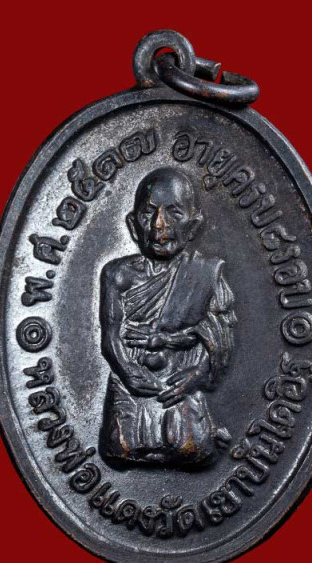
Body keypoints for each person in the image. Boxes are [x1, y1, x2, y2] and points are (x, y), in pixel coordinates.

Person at [99, 166, 236, 467]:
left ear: (193, 226)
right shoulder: (117, 274)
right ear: (133, 225)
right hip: (132, 382)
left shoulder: (207, 273)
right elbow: (110, 336)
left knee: (192, 449)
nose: (159, 225)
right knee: (121, 448)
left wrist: (197, 375)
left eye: (174, 213)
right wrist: (127, 371)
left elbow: (221, 336)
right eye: (149, 213)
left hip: (179, 382)